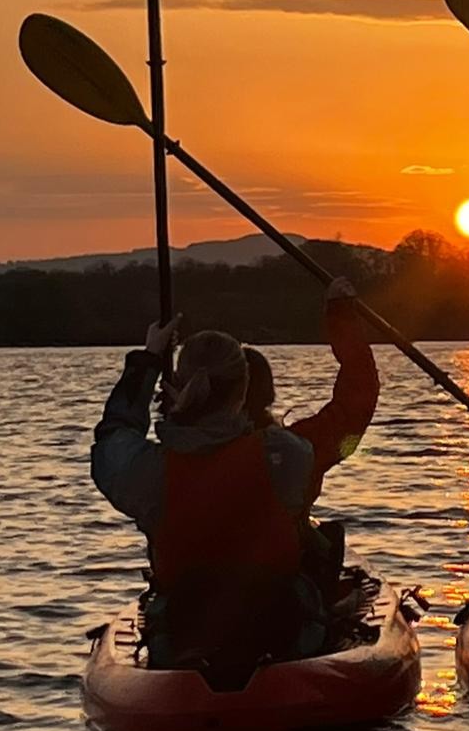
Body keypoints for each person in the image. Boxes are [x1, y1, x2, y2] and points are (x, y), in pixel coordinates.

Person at [89, 277, 372, 675]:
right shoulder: (287, 456)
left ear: (179, 388)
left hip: (185, 634)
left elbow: (114, 433)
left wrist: (150, 360)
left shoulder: (145, 471)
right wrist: (343, 317)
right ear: (243, 392)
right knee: (319, 552)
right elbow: (352, 412)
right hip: (282, 634)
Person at [242, 276, 381, 593]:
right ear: (267, 395)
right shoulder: (298, 450)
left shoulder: (175, 452)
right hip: (278, 587)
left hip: (198, 589)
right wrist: (341, 314)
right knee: (326, 541)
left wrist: (151, 362)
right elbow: (356, 401)